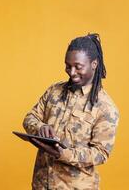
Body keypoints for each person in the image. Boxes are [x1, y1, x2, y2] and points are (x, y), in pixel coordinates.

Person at [23, 33, 119, 190]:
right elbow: (30, 117)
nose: (72, 72)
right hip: (41, 184)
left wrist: (62, 153)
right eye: (68, 66)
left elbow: (101, 153)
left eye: (78, 67)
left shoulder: (106, 107)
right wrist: (39, 127)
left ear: (94, 64)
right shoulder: (54, 91)